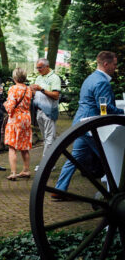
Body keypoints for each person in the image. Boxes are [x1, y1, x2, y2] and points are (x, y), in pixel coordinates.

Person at [53, 51, 124, 199]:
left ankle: (58, 190)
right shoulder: (102, 82)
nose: (115, 68)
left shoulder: (91, 78)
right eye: (114, 65)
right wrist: (122, 112)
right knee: (110, 158)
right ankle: (116, 191)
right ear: (106, 64)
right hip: (91, 127)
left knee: (75, 158)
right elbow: (105, 107)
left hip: (80, 124)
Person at [30, 58, 61, 171]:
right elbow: (37, 94)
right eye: (37, 67)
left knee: (49, 139)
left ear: (47, 66)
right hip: (39, 111)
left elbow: (56, 95)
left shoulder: (54, 78)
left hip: (49, 112)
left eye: (40, 67)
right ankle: (50, 163)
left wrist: (41, 89)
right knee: (46, 138)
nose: (38, 70)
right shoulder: (39, 77)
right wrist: (32, 91)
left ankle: (45, 165)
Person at [3, 68, 33, 181]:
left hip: (16, 119)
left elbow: (10, 107)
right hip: (26, 118)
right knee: (24, 146)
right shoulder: (28, 89)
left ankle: (13, 172)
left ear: (15, 77)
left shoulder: (13, 89)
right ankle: (26, 170)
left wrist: (5, 104)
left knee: (12, 146)